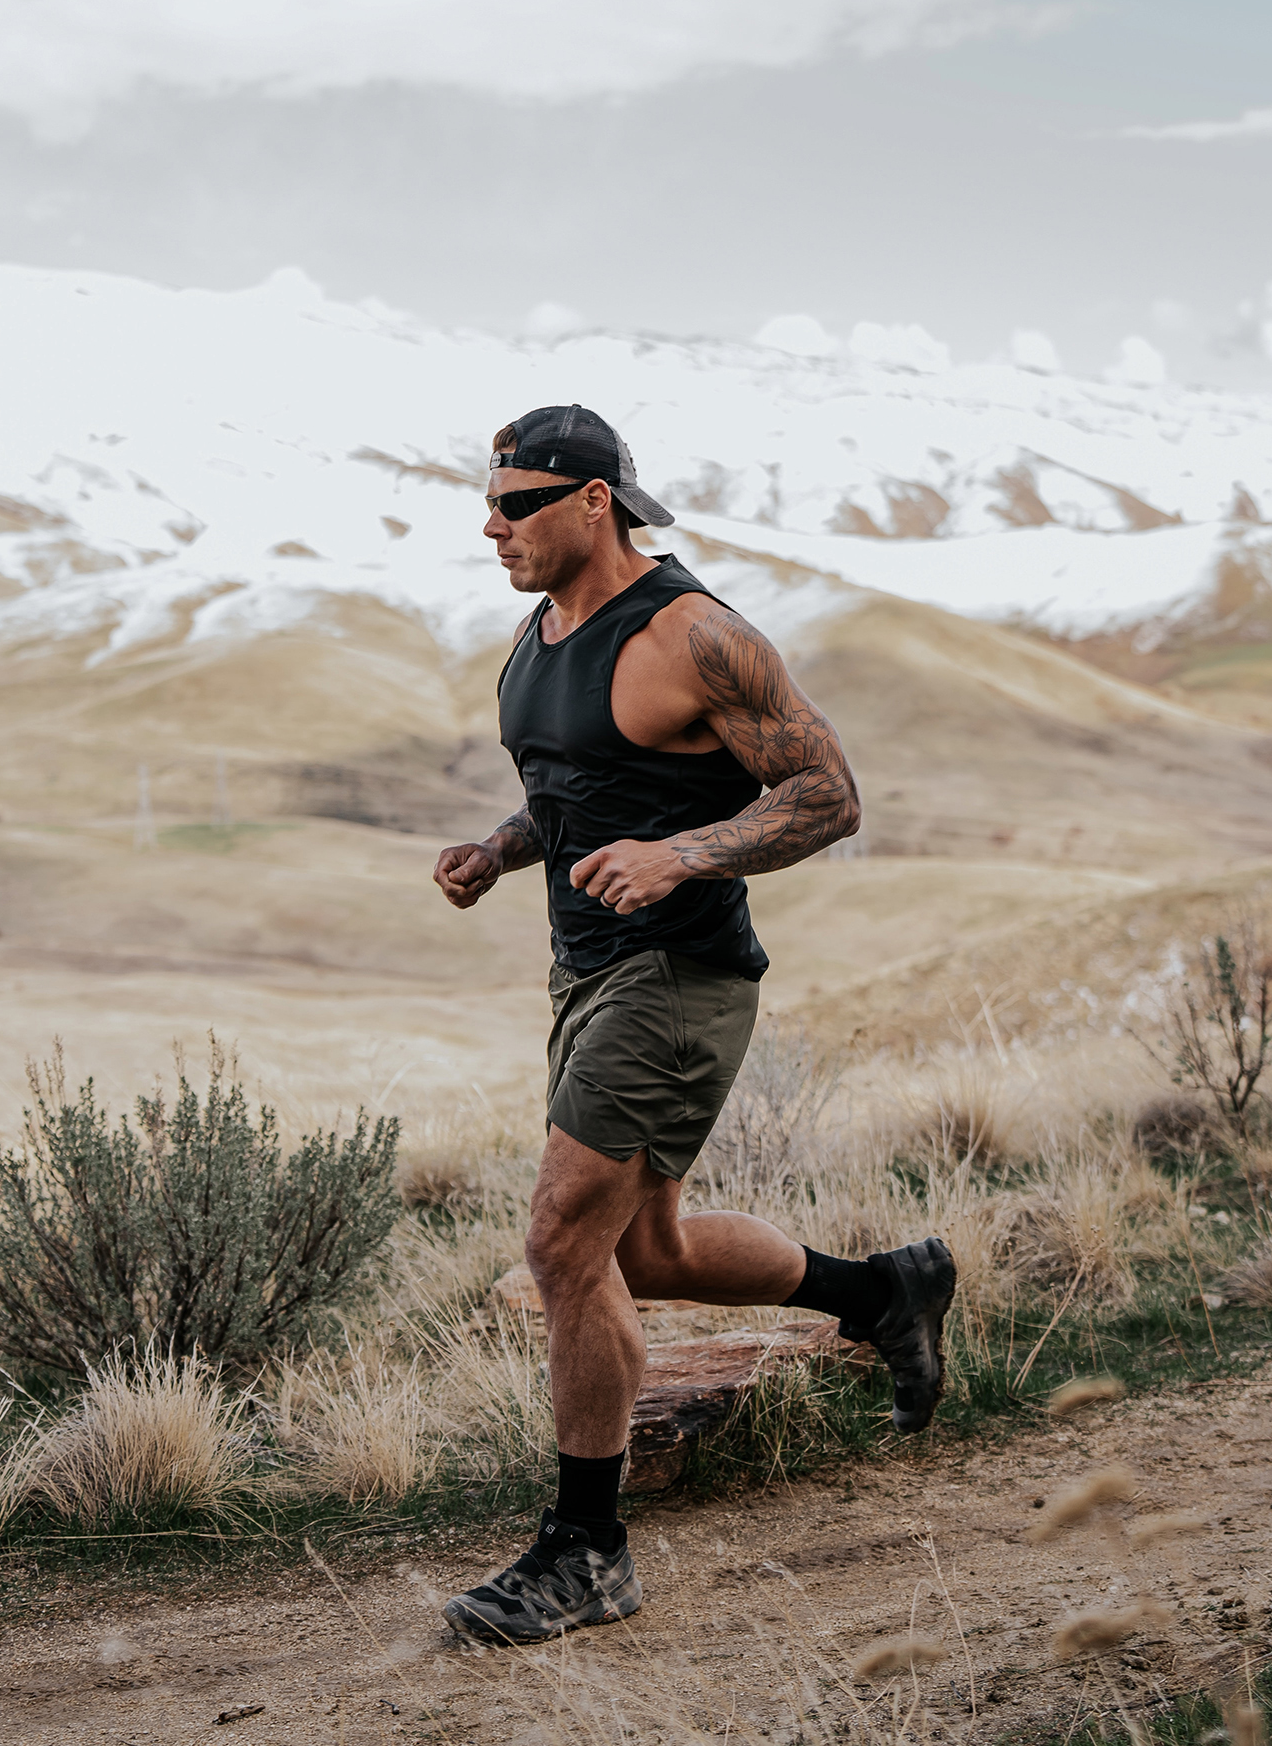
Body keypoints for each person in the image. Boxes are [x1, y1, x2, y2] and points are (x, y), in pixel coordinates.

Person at [430, 403, 958, 1646]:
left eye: (514, 501)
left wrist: (684, 855)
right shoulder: (538, 630)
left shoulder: (696, 634)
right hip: (587, 972)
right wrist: (501, 852)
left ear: (592, 501)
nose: (489, 522)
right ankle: (884, 1289)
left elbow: (828, 794)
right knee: (645, 1253)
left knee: (563, 1246)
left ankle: (586, 1551)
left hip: (676, 974)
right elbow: (574, 788)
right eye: (487, 498)